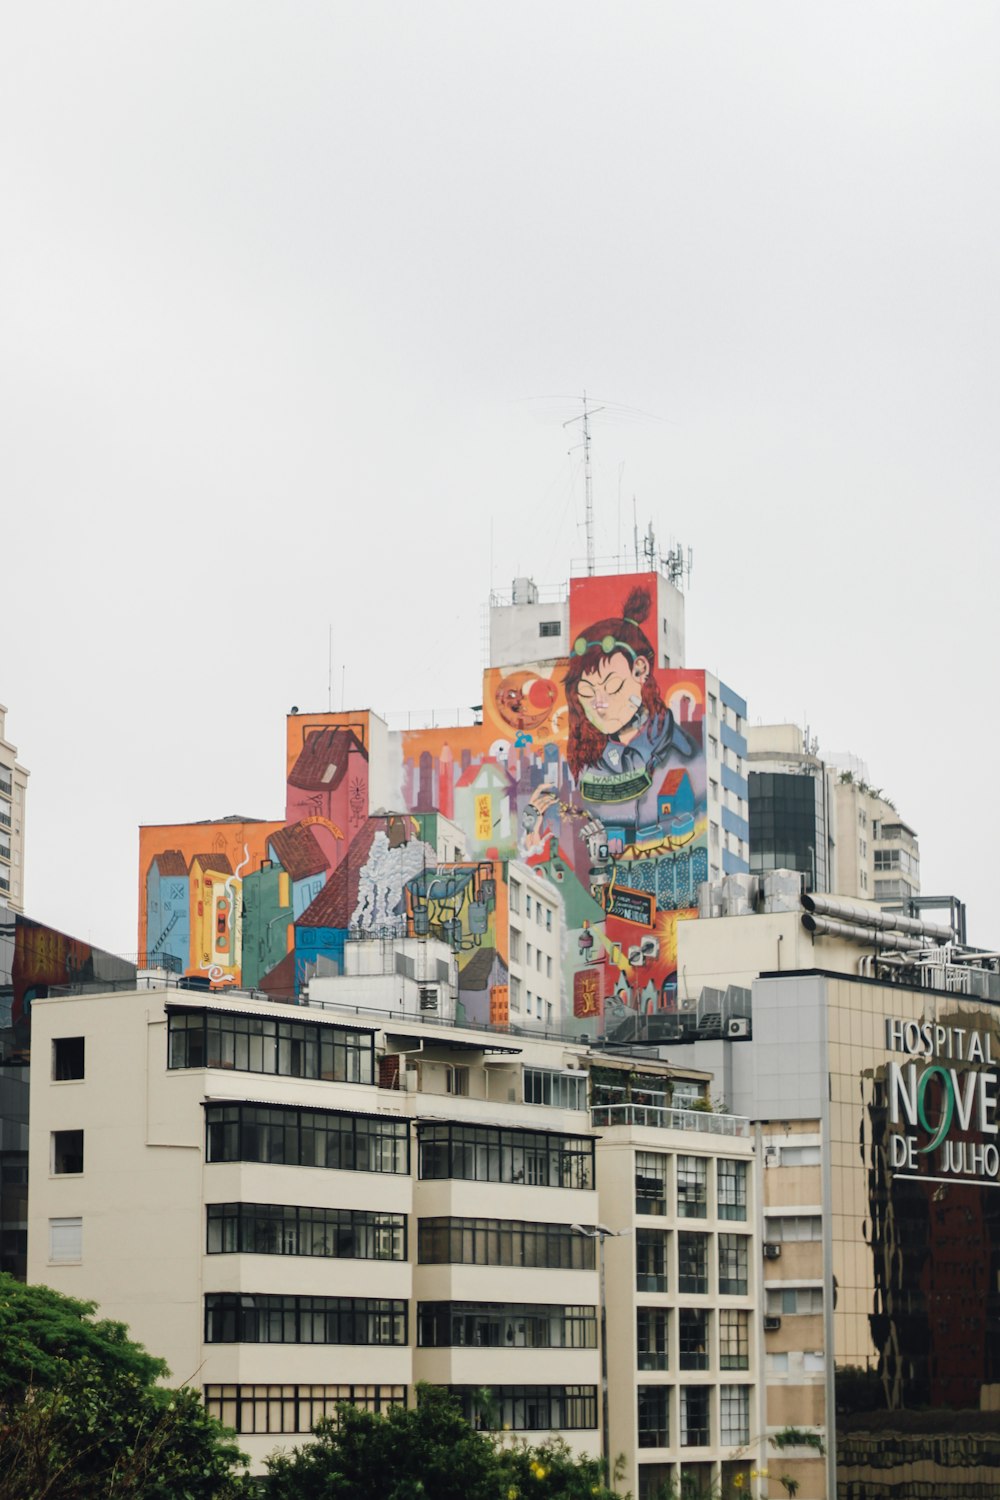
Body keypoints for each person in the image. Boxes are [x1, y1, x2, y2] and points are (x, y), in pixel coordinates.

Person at [563, 587, 693, 832]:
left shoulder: (681, 748)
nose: (599, 702)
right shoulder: (586, 761)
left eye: (612, 685)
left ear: (640, 671)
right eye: (587, 692)